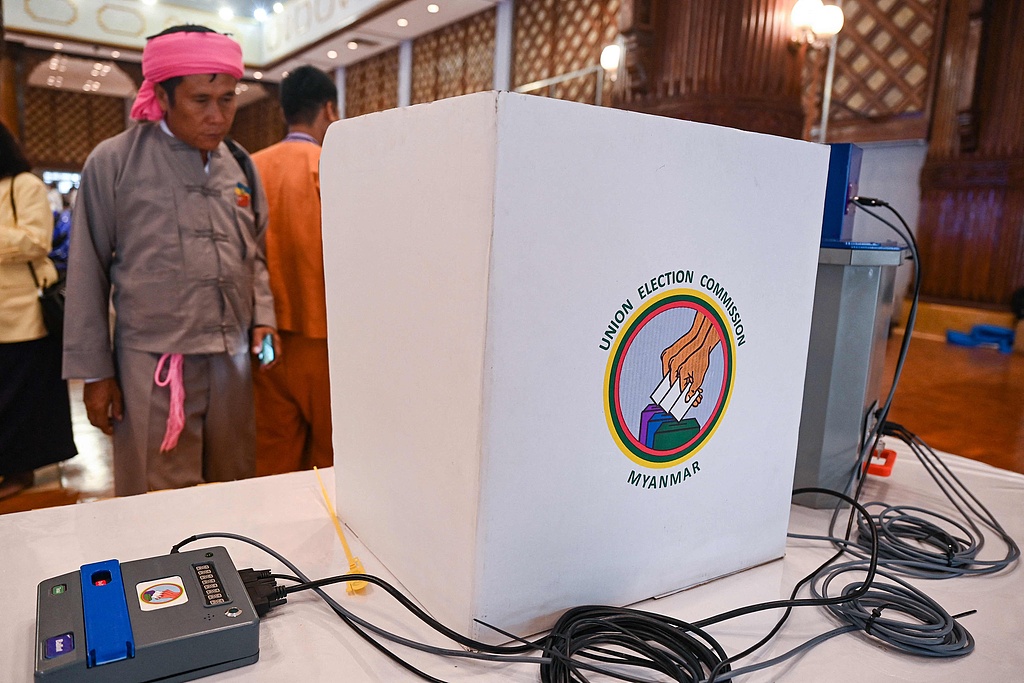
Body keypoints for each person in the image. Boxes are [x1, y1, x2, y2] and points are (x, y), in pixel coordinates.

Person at [62, 25, 278, 496]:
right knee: (158, 498)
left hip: (231, 361)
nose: (217, 116)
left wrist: (262, 317)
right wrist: (96, 375)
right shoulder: (114, 163)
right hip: (153, 366)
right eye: (201, 100)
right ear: (162, 95)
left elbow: (253, 253)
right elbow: (86, 272)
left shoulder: (240, 164)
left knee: (234, 487)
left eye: (227, 98)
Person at [249, 65, 339, 475]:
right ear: (329, 109)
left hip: (266, 338)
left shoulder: (250, 168)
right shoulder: (330, 165)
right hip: (323, 339)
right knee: (332, 459)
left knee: (275, 456)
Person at [0, 121, 77, 500]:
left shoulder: (24, 186)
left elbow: (35, 241)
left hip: (24, 315)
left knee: (20, 397)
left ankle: (20, 468)